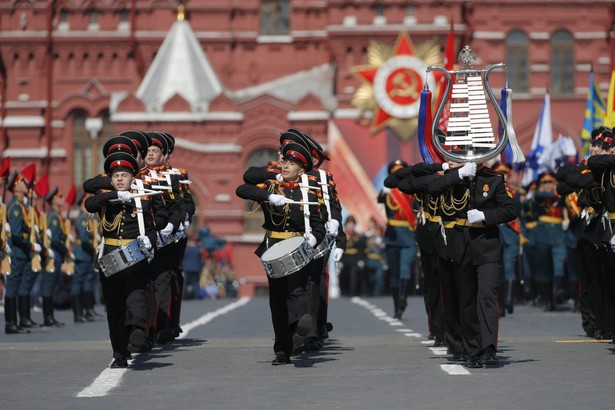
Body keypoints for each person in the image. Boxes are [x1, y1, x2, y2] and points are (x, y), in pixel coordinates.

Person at [236, 142, 326, 365]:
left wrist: (314, 236)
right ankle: (282, 349)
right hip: (273, 246)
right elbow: (242, 189)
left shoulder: (310, 190)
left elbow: (319, 222)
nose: (286, 166)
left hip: (300, 246)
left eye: (292, 163)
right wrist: (269, 197)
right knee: (277, 300)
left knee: (298, 292)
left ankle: (298, 333)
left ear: (302, 170)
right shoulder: (271, 187)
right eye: (285, 161)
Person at [85, 151, 162, 368]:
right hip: (110, 256)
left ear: (132, 178)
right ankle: (119, 353)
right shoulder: (105, 197)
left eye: (124, 175)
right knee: (115, 306)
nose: (120, 179)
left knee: (137, 297)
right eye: (116, 175)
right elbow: (90, 204)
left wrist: (150, 239)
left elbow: (152, 228)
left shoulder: (143, 198)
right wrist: (114, 196)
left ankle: (136, 332)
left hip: (134, 256)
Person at [379, 159, 418, 319]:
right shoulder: (388, 192)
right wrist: (384, 191)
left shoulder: (412, 191)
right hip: (392, 236)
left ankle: (403, 298)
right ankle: (397, 308)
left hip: (408, 236)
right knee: (394, 273)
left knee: (404, 270)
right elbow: (380, 199)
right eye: (394, 171)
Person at [4, 166, 36, 334]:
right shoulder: (15, 207)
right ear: (16, 186)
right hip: (17, 252)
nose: (26, 184)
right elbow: (16, 235)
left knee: (19, 286)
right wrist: (29, 244)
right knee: (13, 287)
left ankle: (18, 322)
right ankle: (10, 323)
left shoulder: (20, 206)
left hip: (21, 253)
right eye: (23, 181)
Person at [72, 192, 98, 322]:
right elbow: (83, 237)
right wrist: (93, 249)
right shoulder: (82, 218)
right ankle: (78, 313)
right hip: (82, 253)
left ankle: (87, 310)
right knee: (79, 282)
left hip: (87, 254)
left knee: (87, 281)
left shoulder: (88, 217)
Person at [182, 230, 204, 300]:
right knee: (195, 283)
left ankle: (183, 296)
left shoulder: (186, 249)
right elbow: (200, 260)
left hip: (187, 268)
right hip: (196, 268)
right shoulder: (197, 249)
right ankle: (196, 296)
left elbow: (183, 258)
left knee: (185, 283)